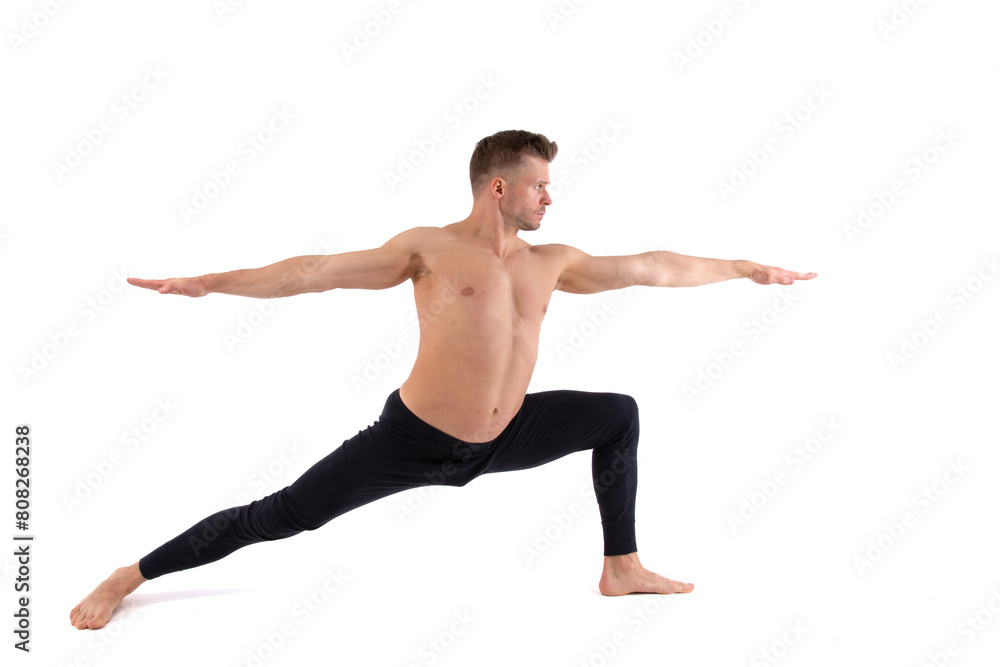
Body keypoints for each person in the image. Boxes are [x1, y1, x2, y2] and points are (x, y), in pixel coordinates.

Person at [70, 129, 816, 630]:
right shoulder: (427, 249)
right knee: (284, 514)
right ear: (499, 189)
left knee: (617, 413)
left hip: (505, 434)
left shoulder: (553, 261)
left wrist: (742, 268)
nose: (549, 197)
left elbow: (652, 265)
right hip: (414, 439)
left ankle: (621, 567)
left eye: (550, 187)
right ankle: (130, 573)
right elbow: (313, 273)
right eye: (540, 186)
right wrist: (211, 282)